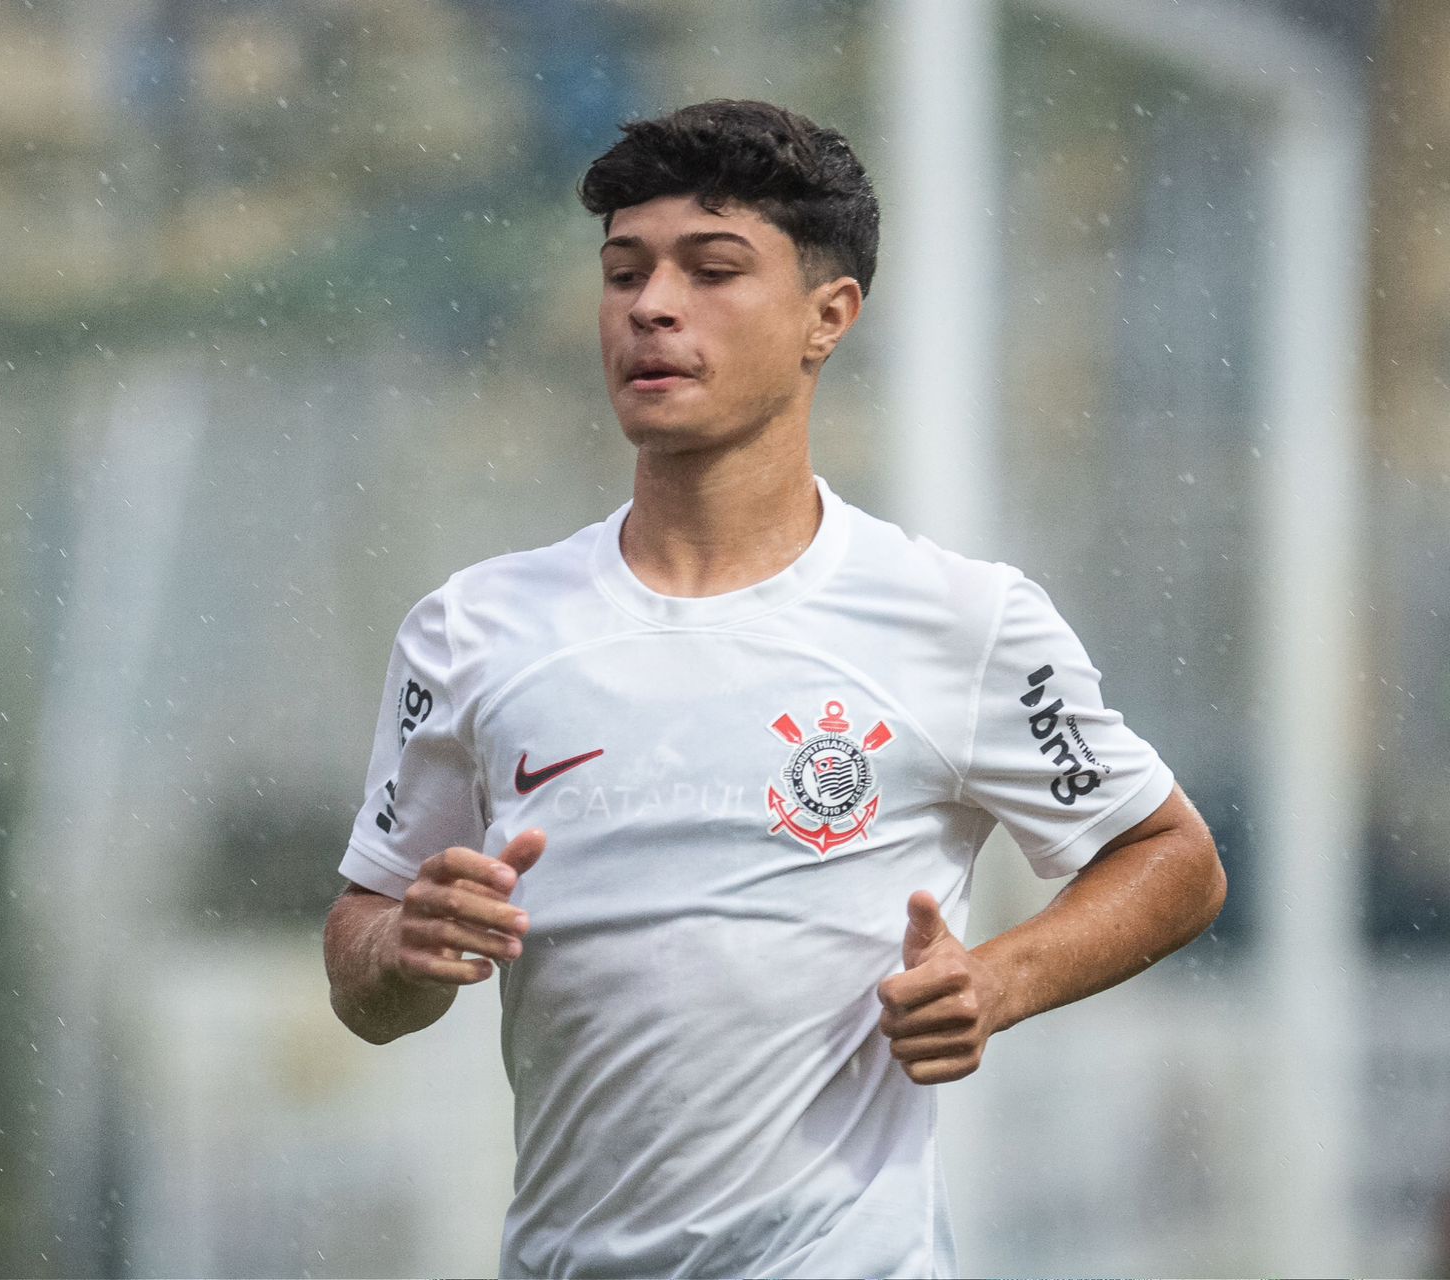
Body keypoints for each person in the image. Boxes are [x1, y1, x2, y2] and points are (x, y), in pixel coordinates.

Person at [322, 98, 1225, 1279]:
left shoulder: (960, 617)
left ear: (826, 316)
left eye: (711, 269)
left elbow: (1173, 859)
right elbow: (360, 969)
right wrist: (400, 943)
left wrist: (994, 980)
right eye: (623, 270)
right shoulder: (475, 628)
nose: (651, 305)